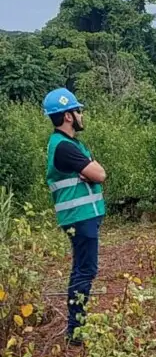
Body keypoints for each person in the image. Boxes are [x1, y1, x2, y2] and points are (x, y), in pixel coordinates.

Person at [43, 88, 106, 343]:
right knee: (85, 270)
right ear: (68, 116)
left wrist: (91, 169)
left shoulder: (70, 145)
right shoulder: (65, 147)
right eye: (78, 111)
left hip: (82, 216)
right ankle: (76, 330)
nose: (81, 115)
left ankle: (76, 327)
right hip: (79, 217)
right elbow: (100, 174)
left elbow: (96, 170)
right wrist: (90, 170)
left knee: (82, 268)